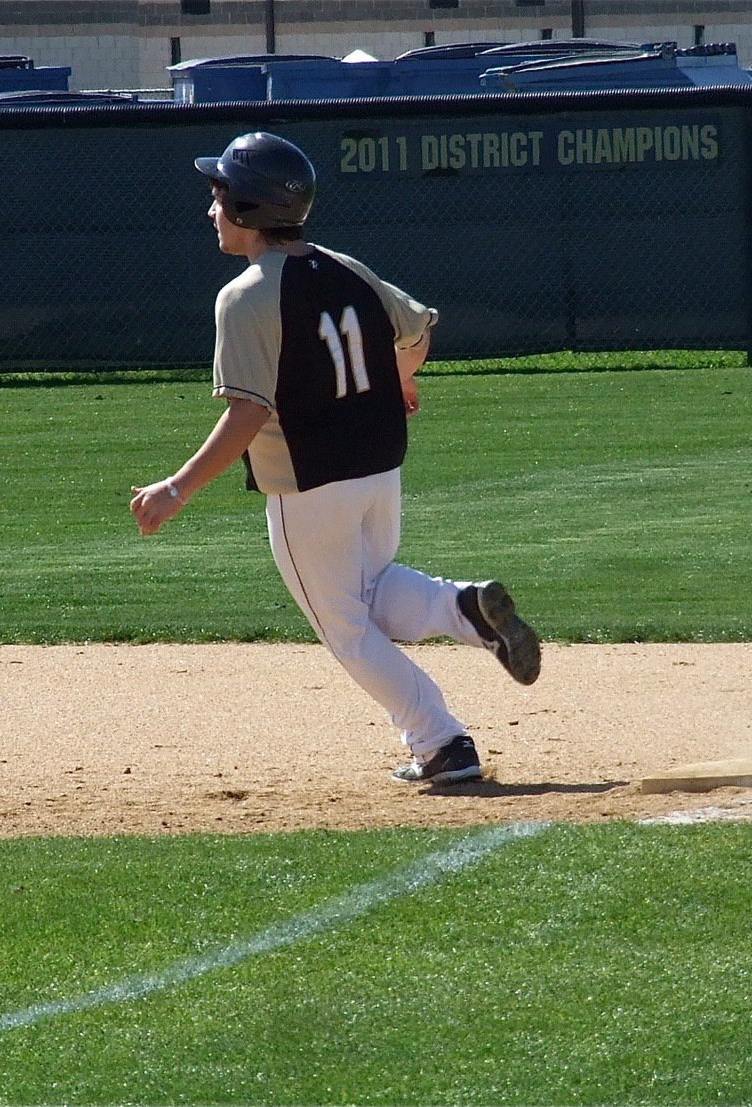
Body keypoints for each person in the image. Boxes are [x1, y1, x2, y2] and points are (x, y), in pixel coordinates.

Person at [130, 131, 541, 784]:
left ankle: (440, 742)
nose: (211, 209)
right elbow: (417, 330)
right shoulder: (346, 267)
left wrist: (178, 487)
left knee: (347, 631)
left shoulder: (244, 297)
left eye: (218, 195)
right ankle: (462, 608)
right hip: (379, 469)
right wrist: (402, 376)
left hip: (308, 485)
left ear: (247, 207)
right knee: (373, 596)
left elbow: (248, 412)